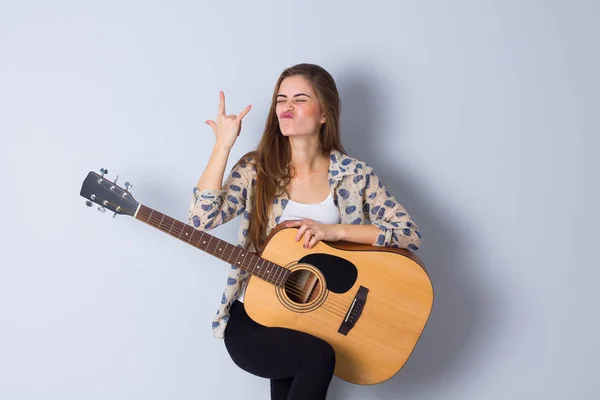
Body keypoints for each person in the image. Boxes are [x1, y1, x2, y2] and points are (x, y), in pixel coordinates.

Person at [188, 63, 421, 400]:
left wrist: (334, 232)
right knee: (316, 357)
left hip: (309, 320)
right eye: (281, 99)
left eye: (299, 99)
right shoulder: (257, 169)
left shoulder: (355, 175)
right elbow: (200, 218)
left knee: (308, 354)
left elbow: (408, 233)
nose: (286, 107)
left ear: (323, 113)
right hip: (253, 317)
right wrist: (223, 146)